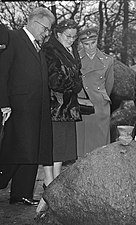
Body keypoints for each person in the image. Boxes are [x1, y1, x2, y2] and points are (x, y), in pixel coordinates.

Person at [0, 7, 55, 206]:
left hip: (36, 107)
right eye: (46, 28)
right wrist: (4, 103)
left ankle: (21, 193)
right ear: (34, 22)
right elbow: (2, 72)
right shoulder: (12, 38)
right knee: (16, 149)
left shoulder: (38, 45)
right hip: (17, 106)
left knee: (32, 150)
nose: (47, 33)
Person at [36, 19, 83, 213]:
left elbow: (76, 76)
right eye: (68, 36)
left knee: (61, 151)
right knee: (53, 148)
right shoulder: (49, 49)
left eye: (74, 36)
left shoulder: (70, 50)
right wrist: (74, 84)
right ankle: (49, 188)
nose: (71, 40)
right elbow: (54, 80)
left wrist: (74, 82)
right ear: (58, 33)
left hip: (66, 106)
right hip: (55, 106)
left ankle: (53, 187)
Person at [76, 27, 114, 157]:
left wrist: (101, 98)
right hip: (83, 105)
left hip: (100, 107)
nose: (90, 47)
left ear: (97, 41)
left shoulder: (108, 60)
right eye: (86, 44)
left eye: (93, 43)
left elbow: (109, 85)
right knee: (82, 144)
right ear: (81, 44)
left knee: (100, 146)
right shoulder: (75, 59)